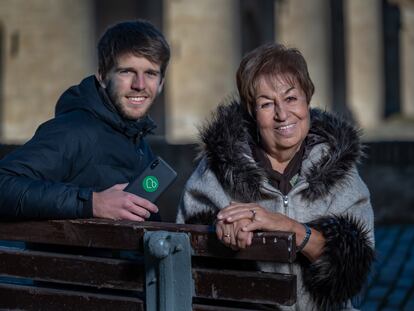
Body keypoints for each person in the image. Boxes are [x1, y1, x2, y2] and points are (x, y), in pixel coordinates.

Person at [177, 43, 374, 310]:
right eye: (266, 104)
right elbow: (187, 261)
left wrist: (288, 227)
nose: (282, 114)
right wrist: (220, 235)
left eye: (291, 98)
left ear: (308, 100)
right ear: (252, 112)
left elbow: (352, 274)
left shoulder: (340, 170)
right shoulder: (216, 170)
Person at [0, 20, 170, 221]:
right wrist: (92, 203)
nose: (139, 85)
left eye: (150, 73)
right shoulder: (73, 130)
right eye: (127, 71)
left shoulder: (138, 143)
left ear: (161, 83)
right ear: (102, 76)